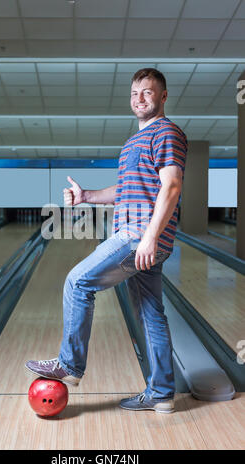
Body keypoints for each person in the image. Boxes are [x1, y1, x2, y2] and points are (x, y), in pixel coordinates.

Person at [26, 68, 187, 414]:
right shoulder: (132, 143)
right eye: (134, 93)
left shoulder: (167, 132)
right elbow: (127, 190)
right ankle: (161, 392)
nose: (139, 98)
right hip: (138, 235)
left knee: (77, 282)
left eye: (147, 92)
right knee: (150, 314)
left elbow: (171, 186)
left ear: (163, 96)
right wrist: (87, 196)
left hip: (137, 235)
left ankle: (69, 365)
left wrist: (149, 237)